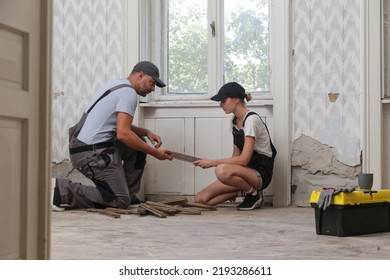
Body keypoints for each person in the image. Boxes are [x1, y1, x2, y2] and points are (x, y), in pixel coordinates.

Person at [52, 61, 173, 211]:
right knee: (120, 201)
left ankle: (128, 193)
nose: (153, 88)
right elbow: (123, 134)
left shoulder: (118, 85)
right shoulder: (128, 93)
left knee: (138, 146)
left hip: (86, 146)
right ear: (140, 75)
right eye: (152, 82)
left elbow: (116, 125)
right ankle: (62, 190)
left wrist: (146, 132)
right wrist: (155, 152)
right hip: (90, 153)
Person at [194, 82, 276, 211]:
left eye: (223, 101)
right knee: (200, 200)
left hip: (260, 174)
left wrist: (211, 162)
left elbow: (243, 160)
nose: (220, 105)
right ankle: (245, 192)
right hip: (243, 174)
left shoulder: (251, 120)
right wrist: (230, 180)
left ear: (236, 99)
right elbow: (236, 156)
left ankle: (253, 194)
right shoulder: (234, 121)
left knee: (221, 170)